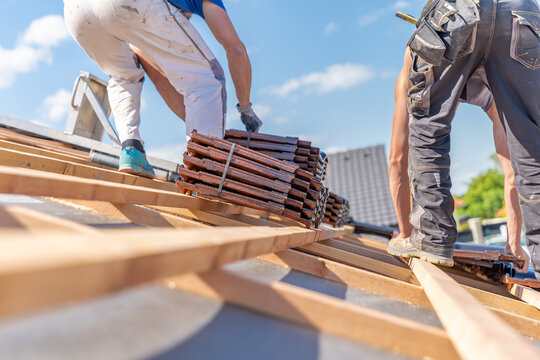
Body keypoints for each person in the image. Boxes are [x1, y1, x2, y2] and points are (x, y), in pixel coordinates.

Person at [387, 0, 540, 279]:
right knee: (531, 146)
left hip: (459, 11)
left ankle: (432, 237)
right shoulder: (493, 89)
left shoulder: (416, 60)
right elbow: (515, 171)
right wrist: (514, 243)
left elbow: (398, 158)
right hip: (520, 14)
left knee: (427, 122)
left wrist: (407, 235)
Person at [63, 0, 263, 179]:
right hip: (125, 4)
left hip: (76, 11)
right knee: (207, 81)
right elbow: (236, 50)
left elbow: (161, 79)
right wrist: (245, 109)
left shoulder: (143, 28)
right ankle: (205, 171)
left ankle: (132, 150)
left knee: (122, 74)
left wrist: (205, 124)